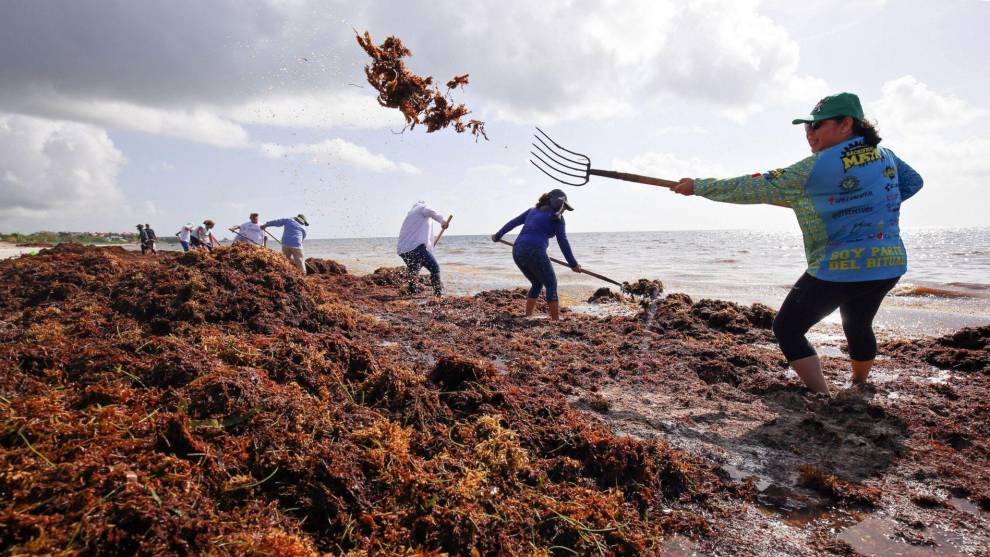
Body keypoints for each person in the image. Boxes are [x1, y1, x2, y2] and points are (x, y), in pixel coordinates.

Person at [667, 92, 923, 395]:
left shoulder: (815, 167)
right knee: (857, 322)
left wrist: (698, 187)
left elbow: (753, 186)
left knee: (786, 328)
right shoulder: (886, 155)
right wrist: (863, 204)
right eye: (806, 127)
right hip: (889, 263)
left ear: (846, 124)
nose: (809, 133)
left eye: (817, 125)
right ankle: (859, 384)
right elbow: (912, 182)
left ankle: (821, 395)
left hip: (840, 267)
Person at [492, 189, 583, 321]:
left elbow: (512, 223)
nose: (563, 211)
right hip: (535, 250)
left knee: (536, 283)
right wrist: (573, 264)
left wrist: (498, 235)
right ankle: (555, 320)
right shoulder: (557, 219)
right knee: (551, 283)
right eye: (563, 207)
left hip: (517, 250)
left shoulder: (532, 211)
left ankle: (528, 316)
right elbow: (563, 242)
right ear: (556, 203)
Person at [396, 201, 449, 297]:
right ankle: (438, 295)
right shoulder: (422, 208)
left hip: (403, 250)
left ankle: (412, 292)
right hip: (415, 248)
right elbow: (431, 212)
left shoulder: (411, 215)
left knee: (413, 270)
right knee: (434, 268)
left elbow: (421, 234)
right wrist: (443, 221)